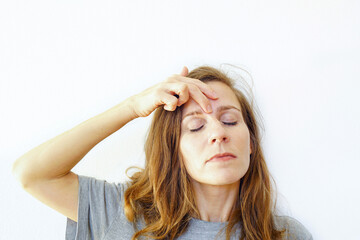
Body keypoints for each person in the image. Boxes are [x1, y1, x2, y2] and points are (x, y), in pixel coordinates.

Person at [12, 65, 313, 240]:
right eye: (195, 126)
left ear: (251, 142)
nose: (218, 133)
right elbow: (32, 175)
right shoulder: (126, 214)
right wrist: (132, 107)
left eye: (230, 120)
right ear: (173, 152)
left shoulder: (286, 235)